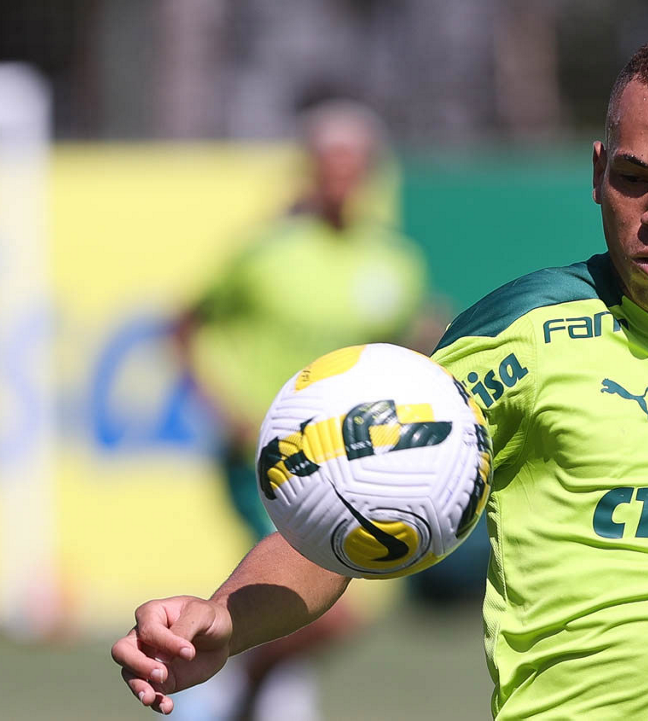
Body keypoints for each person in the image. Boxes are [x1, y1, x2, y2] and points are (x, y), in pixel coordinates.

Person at [114, 31, 648, 719]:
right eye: (634, 178)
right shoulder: (521, 333)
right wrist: (224, 617)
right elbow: (349, 512)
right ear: (598, 172)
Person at [171, 99, 441, 720]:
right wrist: (221, 407)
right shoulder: (265, 253)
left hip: (343, 459)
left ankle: (244, 694)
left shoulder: (395, 261)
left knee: (327, 609)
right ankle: (235, 691)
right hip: (265, 455)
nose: (340, 178)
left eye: (353, 164)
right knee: (318, 604)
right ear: (310, 168)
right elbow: (185, 324)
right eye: (329, 163)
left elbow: (405, 347)